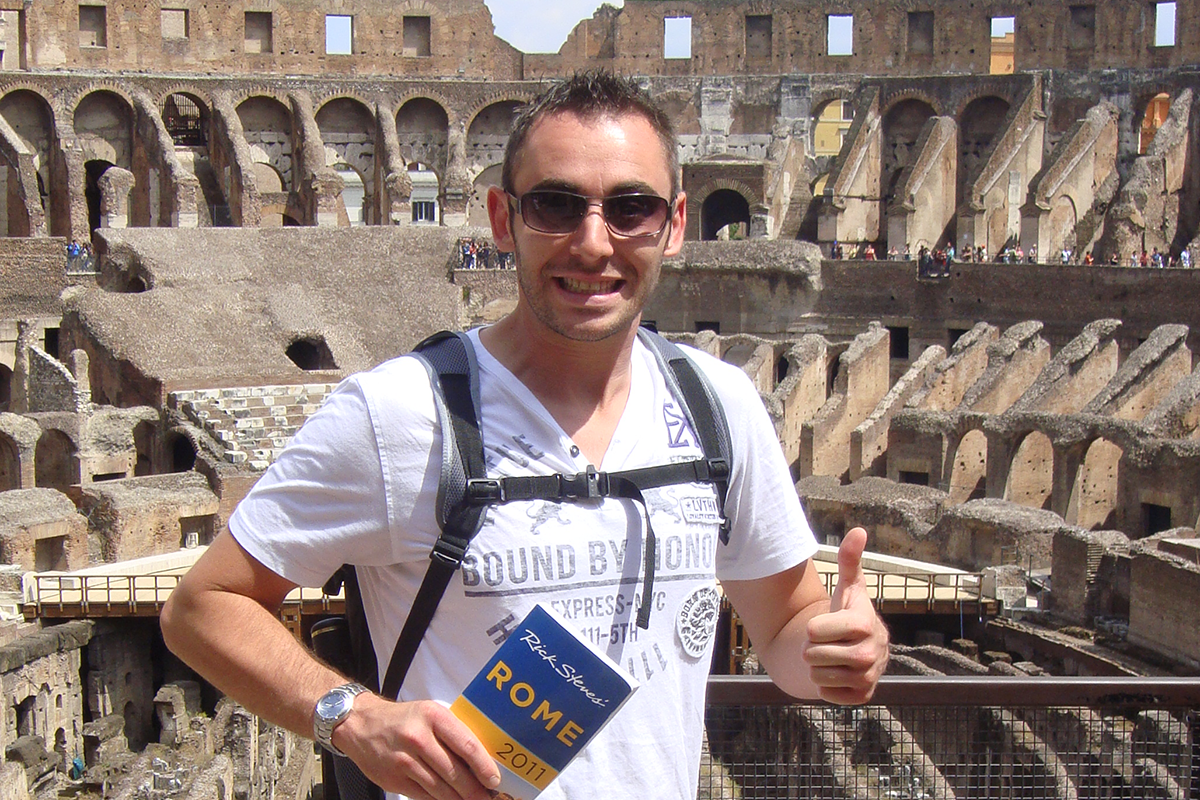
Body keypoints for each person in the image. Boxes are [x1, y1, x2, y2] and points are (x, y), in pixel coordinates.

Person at [160, 72, 889, 800]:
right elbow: (202, 608)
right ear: (503, 219)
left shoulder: (719, 407)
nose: (593, 242)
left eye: (631, 208)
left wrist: (838, 653)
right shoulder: (396, 415)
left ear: (673, 225)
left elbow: (788, 628)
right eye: (555, 205)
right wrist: (351, 717)